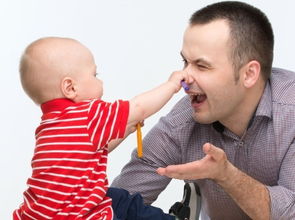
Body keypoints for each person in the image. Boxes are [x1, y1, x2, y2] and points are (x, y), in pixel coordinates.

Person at [111, 1, 295, 219]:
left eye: (201, 66)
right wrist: (90, 146)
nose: (184, 80)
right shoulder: (181, 122)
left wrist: (226, 175)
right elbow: (112, 208)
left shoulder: (290, 111)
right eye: (185, 62)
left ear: (249, 74)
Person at [13, 37, 192, 219]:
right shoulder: (88, 113)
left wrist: (125, 130)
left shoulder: (50, 125)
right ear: (70, 87)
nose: (100, 82)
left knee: (117, 197)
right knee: (124, 204)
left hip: (38, 213)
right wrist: (171, 85)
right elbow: (139, 107)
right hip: (79, 215)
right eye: (94, 75)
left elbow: (94, 150)